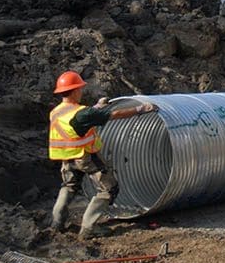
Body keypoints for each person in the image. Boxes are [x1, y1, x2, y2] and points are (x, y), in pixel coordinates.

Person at [49, 70, 159, 240]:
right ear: (75, 91)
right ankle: (88, 228)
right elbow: (114, 115)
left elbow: (79, 120)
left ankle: (56, 223)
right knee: (109, 188)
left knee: (69, 186)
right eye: (80, 89)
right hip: (85, 157)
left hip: (66, 157)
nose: (81, 92)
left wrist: (97, 107)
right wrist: (141, 108)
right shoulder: (82, 113)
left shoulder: (57, 111)